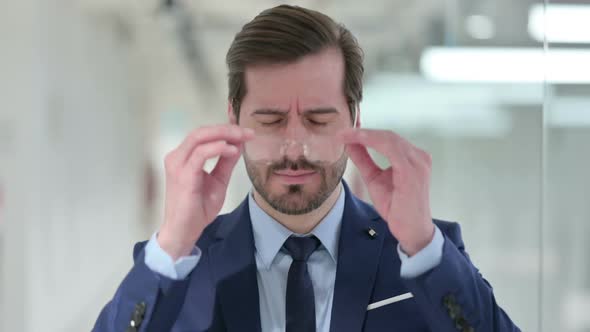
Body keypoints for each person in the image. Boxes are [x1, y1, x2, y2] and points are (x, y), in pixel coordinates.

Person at [93, 5, 520, 332]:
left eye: (318, 120)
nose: (294, 147)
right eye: (271, 120)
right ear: (233, 119)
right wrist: (171, 245)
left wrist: (424, 246)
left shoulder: (424, 253)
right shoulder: (181, 262)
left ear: (354, 119)